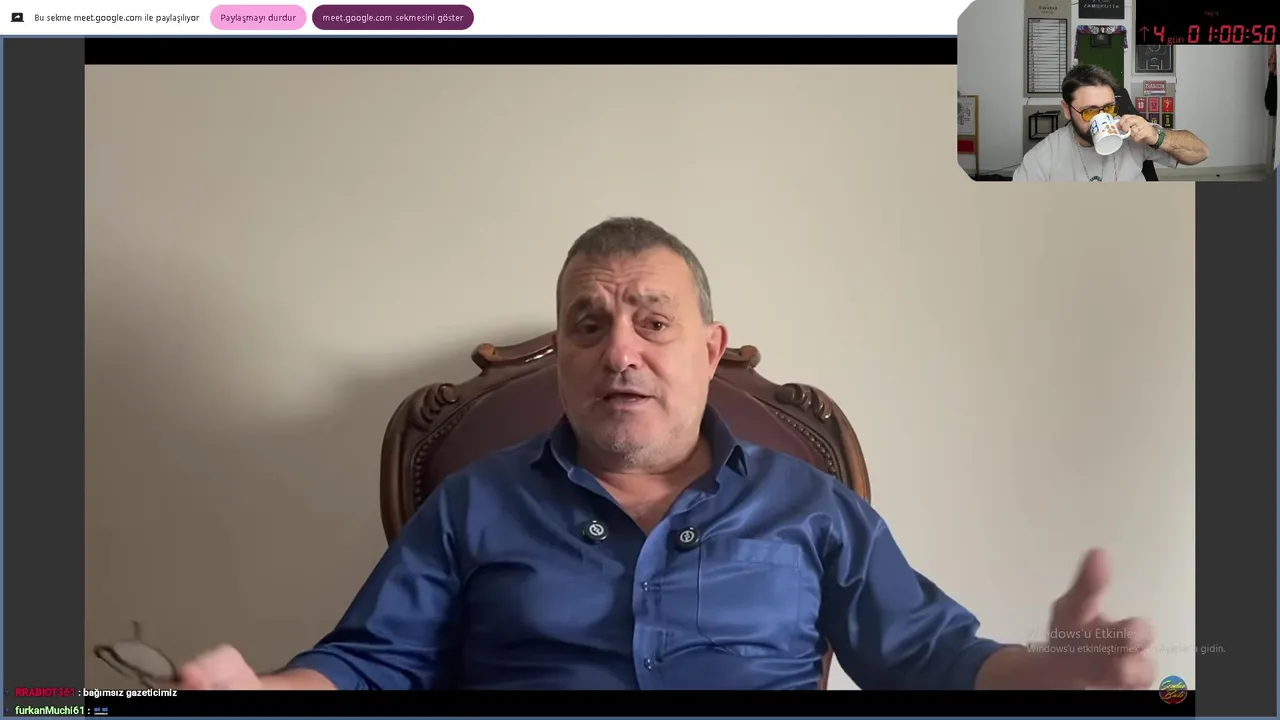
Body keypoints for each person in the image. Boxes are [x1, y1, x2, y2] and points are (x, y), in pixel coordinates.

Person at [178, 218, 1157, 691]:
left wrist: (1055, 673)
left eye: (653, 321)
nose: (621, 352)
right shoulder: (474, 505)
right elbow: (370, 662)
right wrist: (265, 696)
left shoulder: (810, 507)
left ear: (709, 349)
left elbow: (925, 655)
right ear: (564, 357)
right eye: (589, 326)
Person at [1014, 64, 1208, 182]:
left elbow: (1201, 153)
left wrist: (1157, 137)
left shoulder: (1133, 135)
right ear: (1067, 110)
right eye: (1090, 111)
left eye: (1108, 108)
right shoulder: (1045, 154)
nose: (1102, 118)